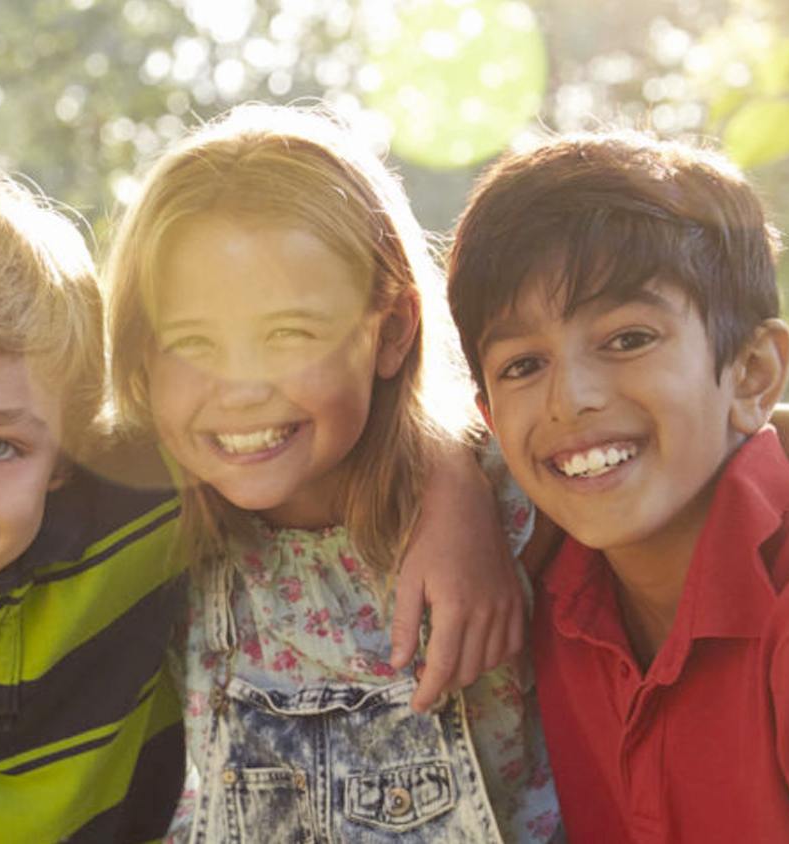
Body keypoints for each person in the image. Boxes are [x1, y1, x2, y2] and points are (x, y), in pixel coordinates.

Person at [0, 167, 525, 842]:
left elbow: (284, 433)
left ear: (68, 449)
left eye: (0, 446)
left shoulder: (140, 496)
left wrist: (449, 480)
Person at [104, 104, 560, 842]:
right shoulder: (143, 513)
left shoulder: (517, 493)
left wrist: (451, 472)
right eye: (192, 341)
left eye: (288, 333)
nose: (242, 386)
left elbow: (735, 449)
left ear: (392, 330)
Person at [446, 131, 789, 842]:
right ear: (487, 419)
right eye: (522, 364)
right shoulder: (540, 583)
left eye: (629, 339)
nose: (570, 398)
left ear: (752, 373)